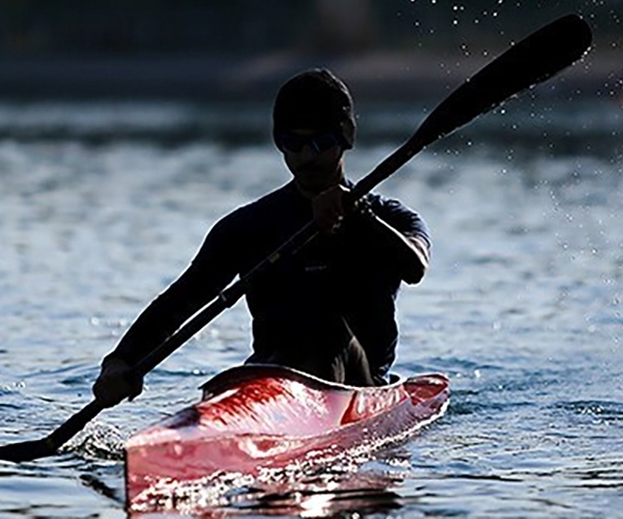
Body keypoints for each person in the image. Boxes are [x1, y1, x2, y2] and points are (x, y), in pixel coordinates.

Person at [92, 69, 431, 407]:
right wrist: (121, 360)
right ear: (278, 143)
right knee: (275, 354)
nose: (307, 157)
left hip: (359, 384)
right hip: (271, 379)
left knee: (322, 328)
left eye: (320, 143)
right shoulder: (247, 227)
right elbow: (181, 300)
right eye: (293, 144)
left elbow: (415, 266)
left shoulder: (393, 219)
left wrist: (358, 215)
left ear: (345, 138)